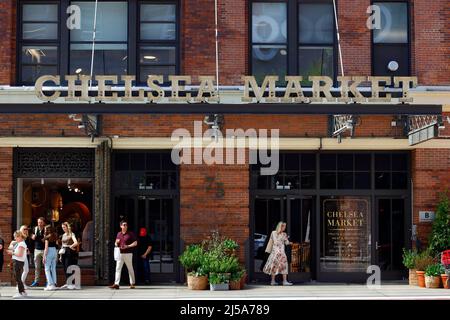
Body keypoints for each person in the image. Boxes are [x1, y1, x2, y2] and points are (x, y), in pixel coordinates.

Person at [263, 221, 293, 286]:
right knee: (274, 266)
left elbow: (286, 242)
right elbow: (273, 242)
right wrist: (282, 238)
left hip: (281, 252)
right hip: (275, 253)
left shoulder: (284, 234)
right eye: (284, 226)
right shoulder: (274, 233)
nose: (285, 227)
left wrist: (289, 242)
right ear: (280, 226)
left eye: (285, 226)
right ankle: (273, 281)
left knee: (284, 266)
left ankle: (284, 281)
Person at [109, 221, 137, 289]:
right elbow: (116, 243)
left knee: (130, 268)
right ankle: (116, 284)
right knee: (118, 269)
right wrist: (116, 243)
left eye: (126, 225)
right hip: (120, 254)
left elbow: (135, 243)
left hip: (128, 253)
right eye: (124, 225)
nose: (125, 226)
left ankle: (132, 283)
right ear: (121, 226)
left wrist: (128, 246)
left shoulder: (130, 234)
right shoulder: (118, 234)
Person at [7, 230, 28, 298]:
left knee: (17, 278)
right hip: (17, 262)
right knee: (17, 277)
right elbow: (10, 248)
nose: (15, 238)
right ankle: (23, 292)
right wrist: (12, 245)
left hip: (18, 262)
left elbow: (20, 254)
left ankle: (21, 292)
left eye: (16, 237)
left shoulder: (21, 243)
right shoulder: (19, 243)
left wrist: (12, 253)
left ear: (19, 236)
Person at [59, 222, 79, 289]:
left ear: (67, 227)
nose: (63, 229)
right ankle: (68, 283)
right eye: (62, 228)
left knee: (68, 267)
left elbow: (76, 242)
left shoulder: (71, 234)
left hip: (69, 252)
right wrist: (60, 256)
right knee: (65, 268)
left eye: (64, 227)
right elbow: (62, 245)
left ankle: (71, 283)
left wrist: (70, 246)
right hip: (63, 251)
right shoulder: (63, 235)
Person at [30, 217, 46, 287]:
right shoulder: (35, 229)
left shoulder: (46, 229)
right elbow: (31, 235)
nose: (39, 224)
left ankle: (48, 281)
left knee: (47, 267)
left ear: (44, 223)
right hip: (36, 250)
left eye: (41, 222)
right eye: (38, 222)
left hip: (44, 250)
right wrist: (32, 236)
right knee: (37, 267)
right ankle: (36, 281)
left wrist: (45, 238)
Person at [43, 225, 58, 291]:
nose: (45, 230)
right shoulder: (55, 235)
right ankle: (54, 283)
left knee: (47, 269)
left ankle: (50, 284)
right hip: (54, 251)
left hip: (49, 251)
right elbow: (57, 244)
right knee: (53, 268)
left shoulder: (47, 237)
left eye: (45, 229)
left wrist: (44, 256)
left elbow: (46, 248)